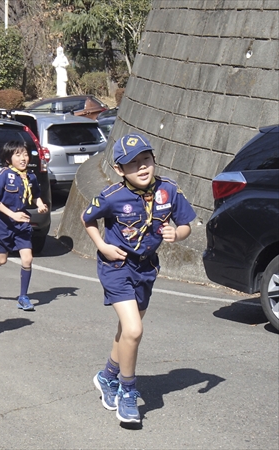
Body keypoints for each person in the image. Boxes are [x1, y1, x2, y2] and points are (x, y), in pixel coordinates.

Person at [81, 133, 196, 424]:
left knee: (128, 330)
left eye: (146, 160)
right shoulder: (112, 196)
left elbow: (186, 225)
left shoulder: (168, 190)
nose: (142, 167)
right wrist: (103, 246)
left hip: (146, 268)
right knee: (133, 330)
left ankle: (107, 376)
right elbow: (87, 218)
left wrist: (177, 233)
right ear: (120, 170)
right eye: (133, 164)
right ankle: (128, 391)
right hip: (117, 266)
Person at [0, 141, 48, 311]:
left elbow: (36, 194)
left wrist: (40, 204)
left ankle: (23, 297)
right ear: (8, 159)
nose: (23, 158)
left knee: (27, 259)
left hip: (22, 224)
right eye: (18, 155)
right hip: (3, 224)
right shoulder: (1, 175)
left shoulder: (30, 176)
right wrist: (12, 215)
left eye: (25, 154)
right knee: (2, 259)